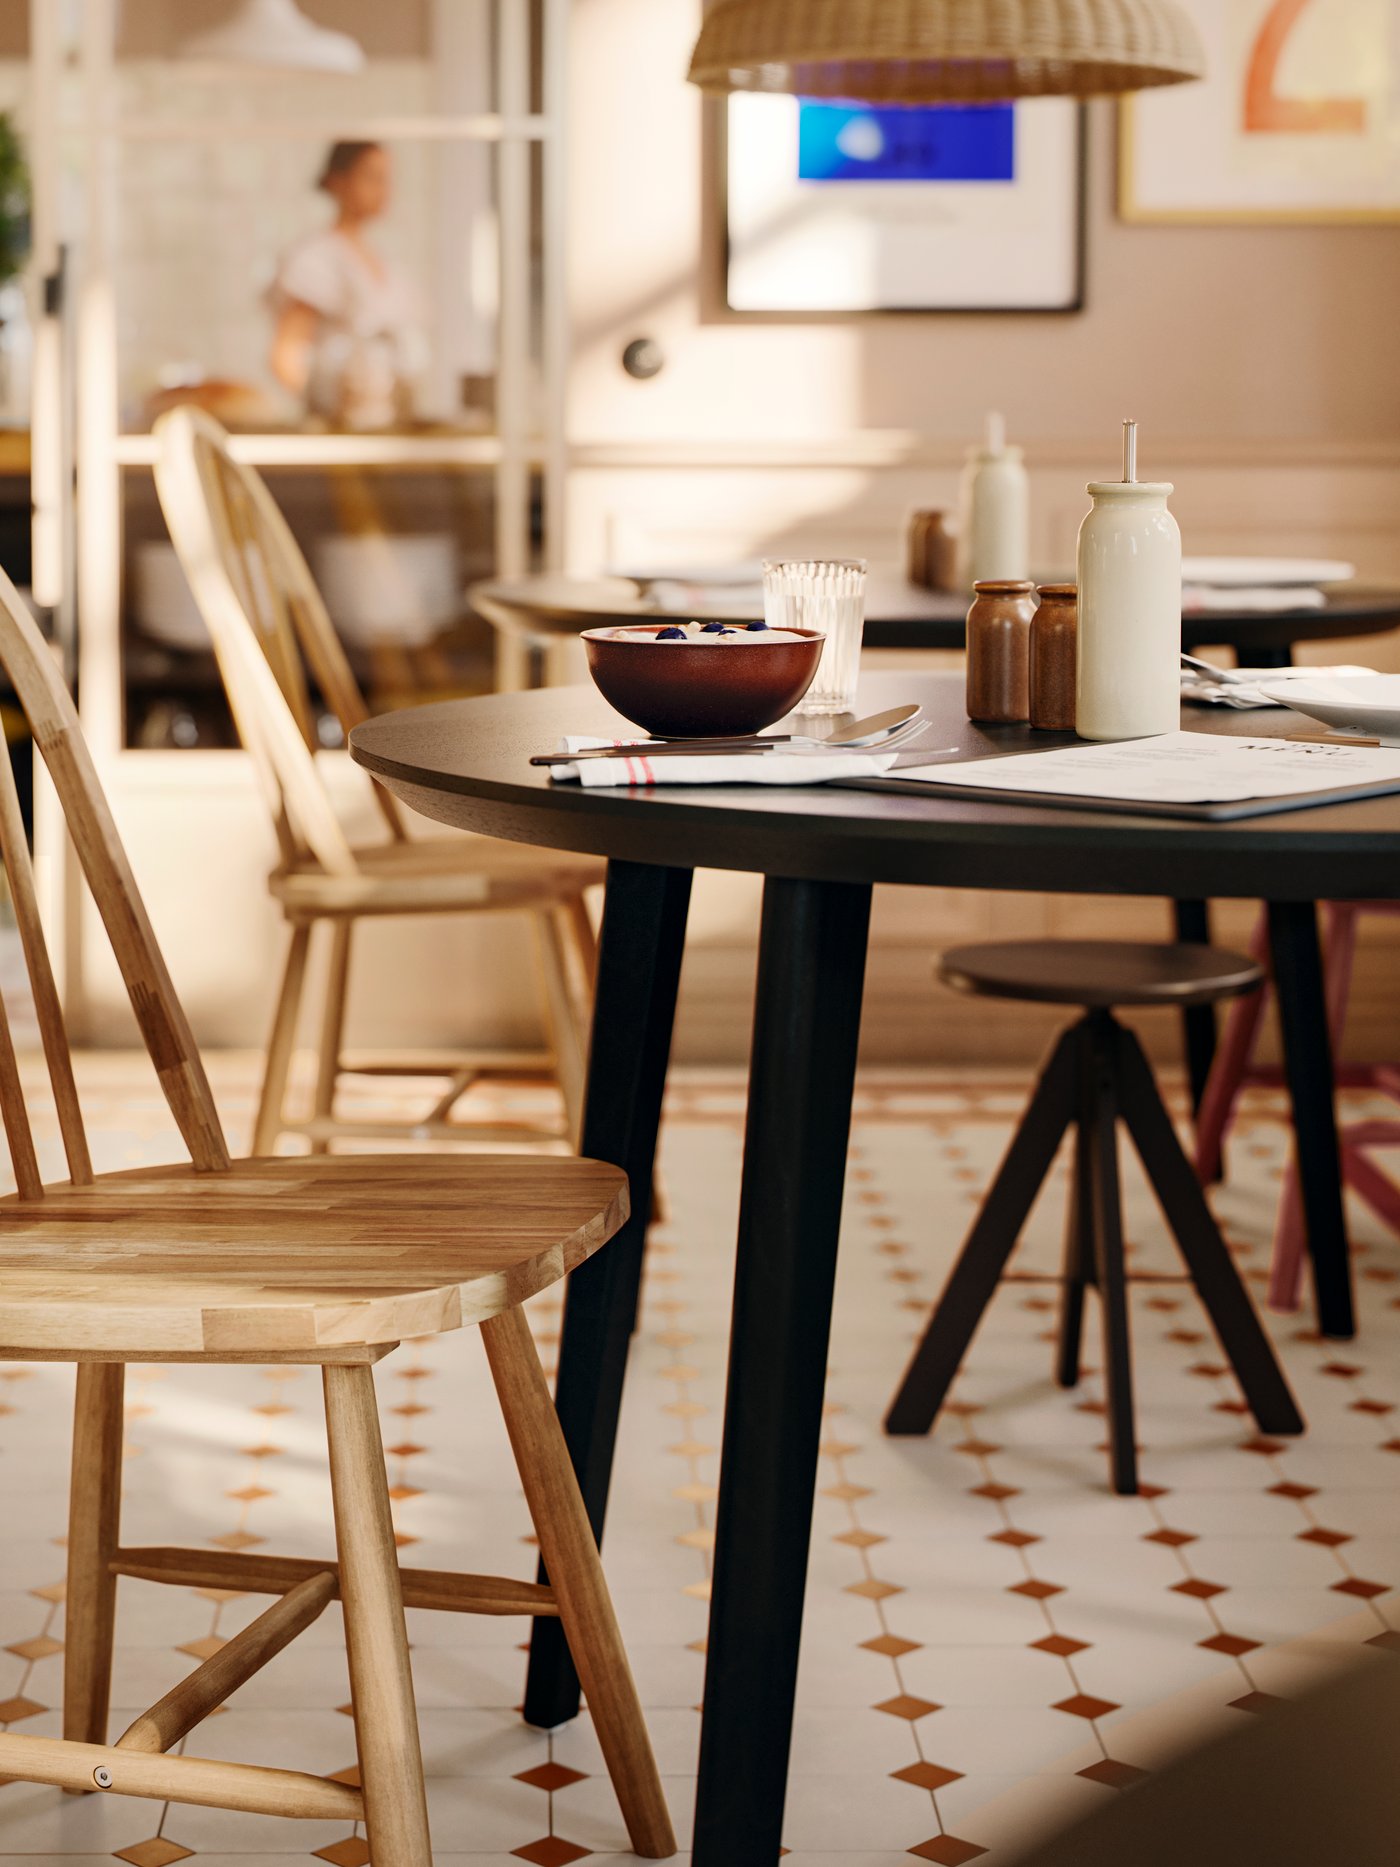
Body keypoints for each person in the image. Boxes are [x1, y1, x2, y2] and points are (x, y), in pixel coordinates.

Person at [268, 141, 423, 428]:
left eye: (386, 179)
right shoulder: (314, 258)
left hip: (390, 424)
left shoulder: (386, 262)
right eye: (372, 178)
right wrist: (326, 412)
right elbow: (287, 356)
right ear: (338, 181)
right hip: (341, 427)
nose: (383, 190)